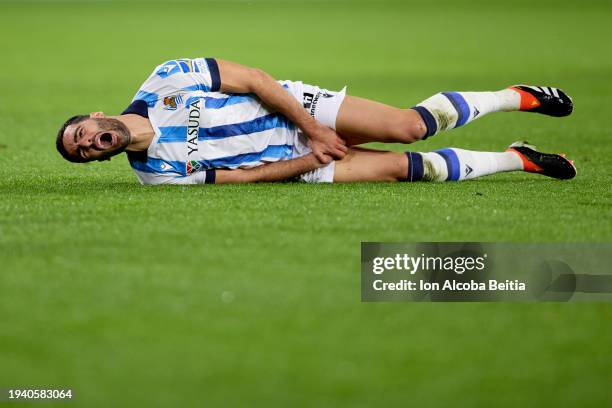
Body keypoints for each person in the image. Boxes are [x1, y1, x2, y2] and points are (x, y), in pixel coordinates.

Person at [55, 58, 576, 184]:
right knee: (411, 170)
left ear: (97, 117)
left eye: (81, 133)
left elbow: (256, 80)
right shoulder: (154, 174)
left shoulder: (165, 78)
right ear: (100, 156)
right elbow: (240, 178)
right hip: (291, 159)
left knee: (413, 126)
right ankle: (519, 159)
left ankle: (515, 97)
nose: (89, 143)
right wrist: (308, 157)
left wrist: (316, 128)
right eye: (85, 151)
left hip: (298, 108)